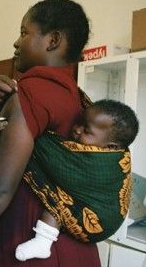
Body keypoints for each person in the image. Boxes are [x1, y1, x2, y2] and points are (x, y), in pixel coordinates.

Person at [0, 0, 101, 266]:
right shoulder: (77, 98)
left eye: (25, 32)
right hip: (75, 250)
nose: (16, 42)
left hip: (28, 248)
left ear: (53, 40)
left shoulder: (32, 92)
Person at [15, 99, 139, 261]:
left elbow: (55, 160)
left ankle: (42, 242)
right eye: (79, 123)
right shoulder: (106, 145)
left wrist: (34, 136)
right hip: (93, 210)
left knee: (57, 202)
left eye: (86, 131)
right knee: (60, 194)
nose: (76, 129)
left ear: (111, 147)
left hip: (99, 220)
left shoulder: (99, 163)